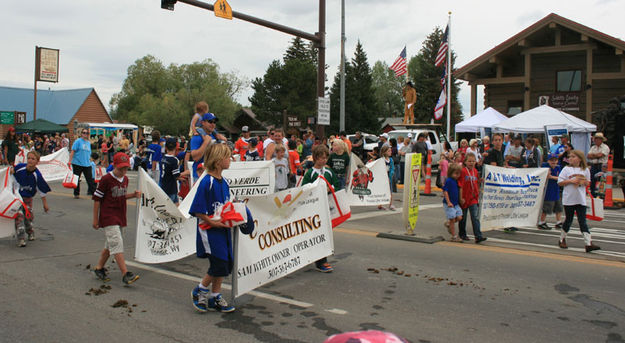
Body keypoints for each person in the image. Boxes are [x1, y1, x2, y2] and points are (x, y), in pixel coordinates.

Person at [189, 143, 254, 313]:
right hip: (209, 230)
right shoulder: (207, 182)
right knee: (218, 262)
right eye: (227, 156)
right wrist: (212, 222)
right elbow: (197, 209)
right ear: (218, 161)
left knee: (226, 263)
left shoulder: (224, 182)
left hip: (223, 228)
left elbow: (225, 206)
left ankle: (215, 297)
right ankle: (200, 290)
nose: (230, 159)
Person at [92, 152, 141, 284]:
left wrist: (133, 195)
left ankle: (99, 267)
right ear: (114, 166)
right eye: (121, 169)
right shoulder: (106, 179)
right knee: (117, 243)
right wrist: (95, 219)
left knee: (110, 244)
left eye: (125, 168)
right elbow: (97, 200)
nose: (123, 171)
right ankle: (125, 273)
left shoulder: (125, 179)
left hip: (120, 215)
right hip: (108, 216)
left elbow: (121, 196)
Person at [301, 144, 339, 272]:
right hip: (313, 209)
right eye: (321, 158)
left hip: (326, 207)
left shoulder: (329, 172)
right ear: (315, 158)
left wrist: (330, 189)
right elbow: (304, 189)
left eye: (325, 158)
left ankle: (321, 258)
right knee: (315, 233)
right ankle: (320, 261)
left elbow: (336, 186)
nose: (323, 160)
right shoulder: (310, 173)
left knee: (325, 233)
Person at [557, 149, 600, 252]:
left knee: (582, 221)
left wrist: (583, 182)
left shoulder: (585, 170)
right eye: (570, 157)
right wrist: (571, 181)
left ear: (580, 159)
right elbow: (560, 182)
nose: (570, 158)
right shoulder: (566, 169)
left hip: (580, 198)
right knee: (569, 220)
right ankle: (562, 239)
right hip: (569, 198)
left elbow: (588, 182)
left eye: (573, 157)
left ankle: (588, 243)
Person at [12, 151, 51, 247]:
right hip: (17, 197)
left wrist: (45, 204)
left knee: (28, 217)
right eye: (28, 158)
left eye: (33, 159)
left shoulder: (37, 175)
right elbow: (11, 173)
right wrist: (10, 171)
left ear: (37, 161)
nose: (30, 160)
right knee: (19, 217)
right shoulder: (20, 167)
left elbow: (41, 190)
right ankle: (21, 238)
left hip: (28, 198)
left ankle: (30, 231)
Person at [458, 153, 486, 243]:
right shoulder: (463, 171)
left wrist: (480, 181)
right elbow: (461, 186)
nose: (471, 163)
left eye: (473, 161)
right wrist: (461, 198)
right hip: (465, 197)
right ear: (465, 162)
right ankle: (462, 234)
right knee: (463, 218)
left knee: (475, 217)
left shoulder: (475, 171)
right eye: (469, 161)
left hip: (473, 198)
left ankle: (478, 236)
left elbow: (476, 183)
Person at [538, 153, 563, 230]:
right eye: (551, 160)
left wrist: (552, 177)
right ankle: (541, 222)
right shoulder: (545, 168)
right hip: (548, 191)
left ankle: (559, 221)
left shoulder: (558, 168)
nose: (553, 162)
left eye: (555, 160)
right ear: (548, 161)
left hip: (556, 190)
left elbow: (561, 178)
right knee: (547, 207)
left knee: (558, 207)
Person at [69, 128, 96, 198]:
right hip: (77, 163)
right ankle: (76, 193)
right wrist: (69, 161)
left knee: (90, 179)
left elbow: (89, 154)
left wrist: (91, 161)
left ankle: (94, 193)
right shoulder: (78, 141)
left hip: (87, 163)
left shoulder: (88, 143)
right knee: (77, 178)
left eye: (87, 133)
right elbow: (73, 151)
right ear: (81, 134)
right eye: (84, 133)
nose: (85, 134)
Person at [443, 163, 463, 242]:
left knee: (459, 217)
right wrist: (448, 202)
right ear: (451, 173)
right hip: (450, 204)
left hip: (455, 203)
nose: (458, 175)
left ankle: (448, 224)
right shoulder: (449, 181)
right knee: (452, 219)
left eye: (459, 173)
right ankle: (454, 236)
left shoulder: (456, 181)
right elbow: (445, 191)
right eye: (456, 173)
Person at [587, 132, 609, 197]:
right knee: (592, 179)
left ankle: (601, 195)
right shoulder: (593, 147)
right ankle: (593, 194)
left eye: (598, 139)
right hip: (594, 165)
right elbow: (588, 156)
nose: (596, 140)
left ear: (601, 140)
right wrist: (596, 155)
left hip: (602, 165)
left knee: (601, 180)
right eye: (595, 139)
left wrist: (593, 155)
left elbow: (601, 155)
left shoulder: (605, 147)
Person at [160, 138, 181, 204]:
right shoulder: (174, 160)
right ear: (176, 147)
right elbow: (176, 175)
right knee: (173, 206)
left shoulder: (163, 158)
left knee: (175, 204)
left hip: (164, 185)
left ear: (166, 147)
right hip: (171, 187)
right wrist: (186, 173)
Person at [380, 145, 396, 211]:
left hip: (389, 177)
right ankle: (381, 204)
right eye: (389, 151)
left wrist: (390, 175)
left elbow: (392, 168)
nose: (390, 152)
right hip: (383, 178)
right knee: (382, 191)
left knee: (390, 191)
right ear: (384, 152)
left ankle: (390, 204)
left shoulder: (391, 160)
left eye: (390, 151)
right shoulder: (381, 160)